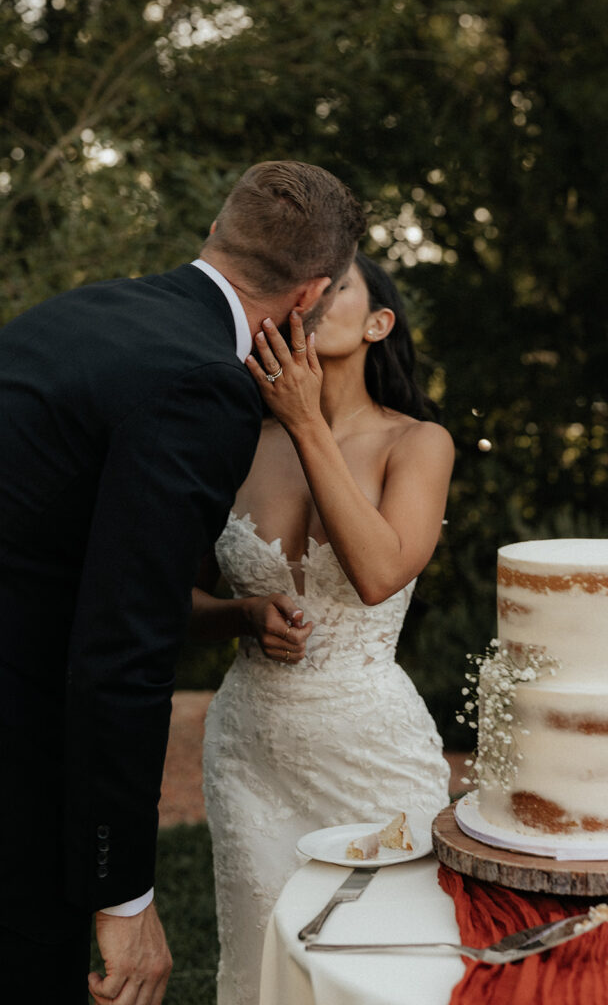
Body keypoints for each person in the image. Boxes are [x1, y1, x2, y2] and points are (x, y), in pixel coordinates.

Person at [0, 161, 365, 1004]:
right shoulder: (202, 386)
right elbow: (124, 650)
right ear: (308, 295)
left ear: (215, 231)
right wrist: (122, 894)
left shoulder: (82, 311)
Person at [194, 252, 455, 1005]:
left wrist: (306, 419)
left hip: (371, 746)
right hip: (250, 749)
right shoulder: (235, 443)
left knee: (393, 957)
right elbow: (167, 602)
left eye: (338, 286)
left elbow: (378, 575)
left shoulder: (419, 443)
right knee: (264, 957)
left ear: (379, 323)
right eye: (305, 286)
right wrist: (240, 614)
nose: (314, 299)